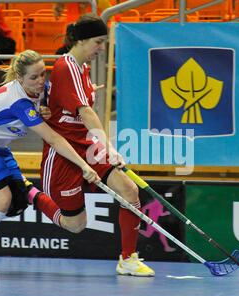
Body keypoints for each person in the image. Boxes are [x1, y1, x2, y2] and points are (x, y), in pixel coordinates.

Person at [0, 49, 100, 274]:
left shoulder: (42, 91)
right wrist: (83, 165)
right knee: (1, 200)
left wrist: (87, 94)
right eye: (34, 77)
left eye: (43, 75)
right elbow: (54, 138)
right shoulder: (18, 101)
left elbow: (64, 99)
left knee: (17, 199)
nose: (41, 82)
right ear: (20, 78)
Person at [41, 13, 155, 276]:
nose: (102, 48)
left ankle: (128, 260)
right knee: (76, 225)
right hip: (63, 153)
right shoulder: (66, 65)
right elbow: (86, 112)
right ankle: (31, 195)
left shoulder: (82, 68)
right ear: (80, 41)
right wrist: (110, 147)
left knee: (129, 191)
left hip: (86, 145)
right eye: (98, 42)